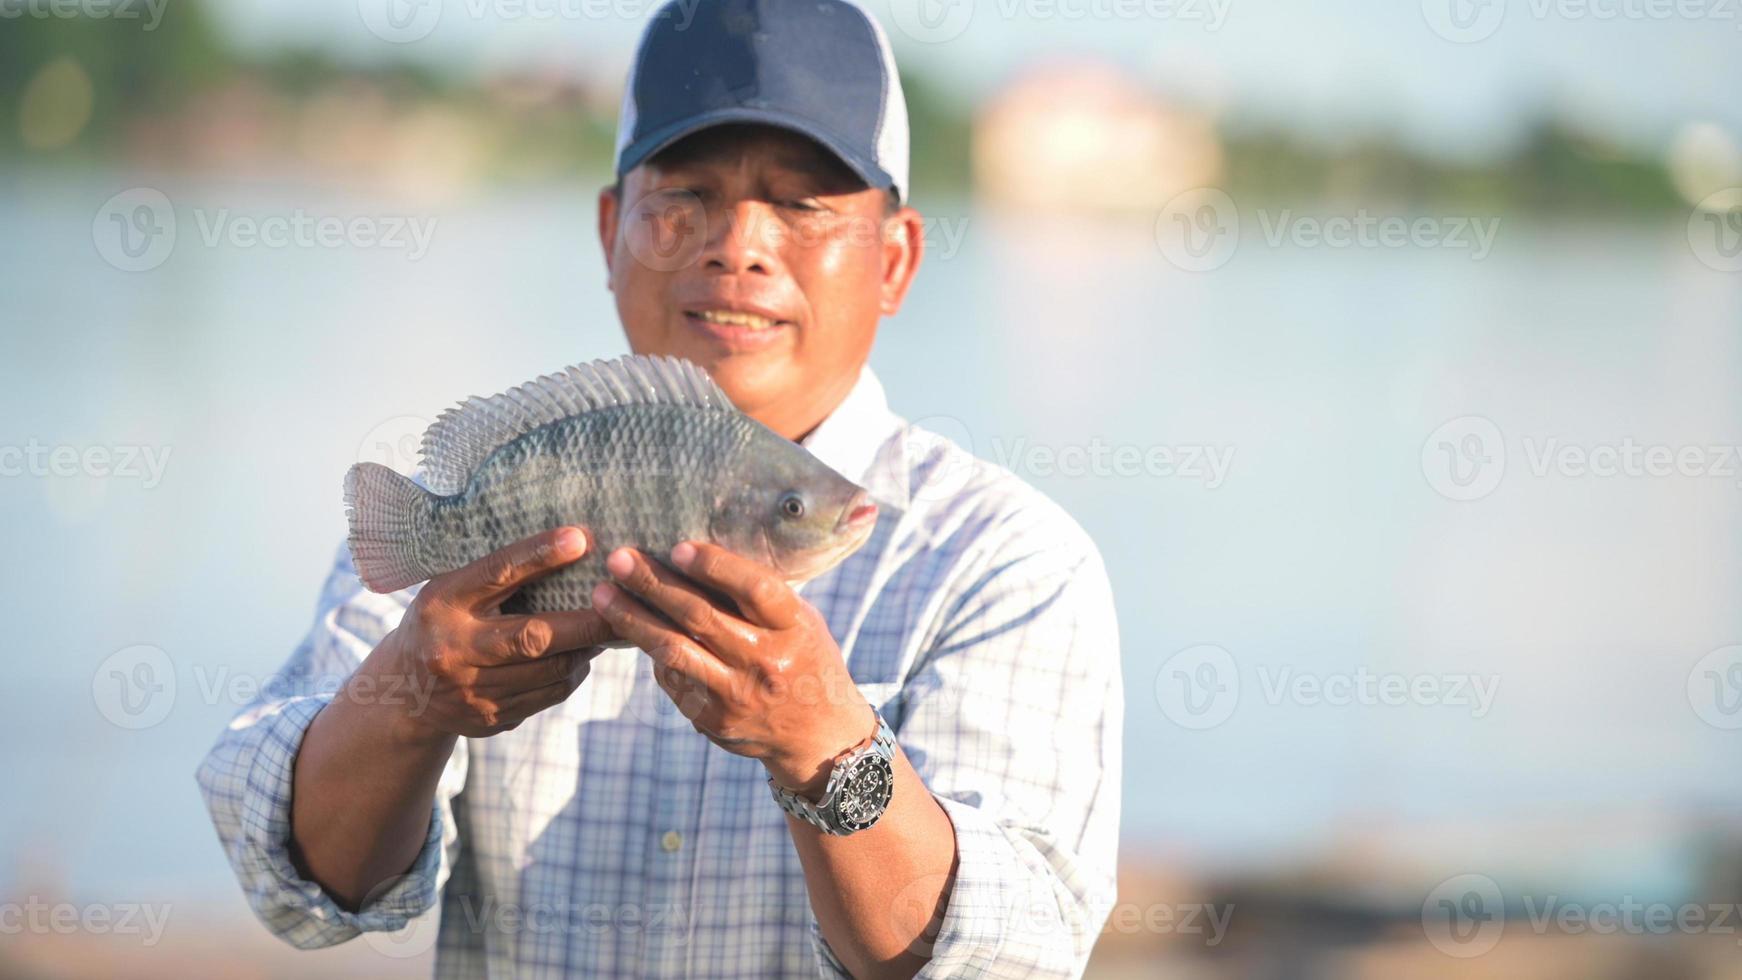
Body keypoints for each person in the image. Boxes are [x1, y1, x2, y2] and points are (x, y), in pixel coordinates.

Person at [196, 0, 1123, 975]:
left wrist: (826, 744)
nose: (738, 245)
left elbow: (1012, 956)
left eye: (803, 201)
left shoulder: (1006, 560)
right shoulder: (486, 503)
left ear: (893, 260)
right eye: (685, 192)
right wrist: (410, 699)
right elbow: (294, 888)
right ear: (610, 232)